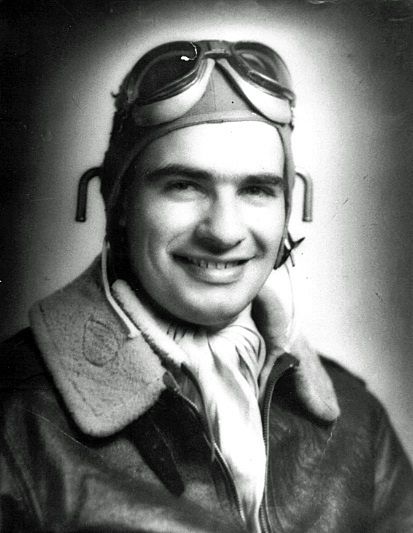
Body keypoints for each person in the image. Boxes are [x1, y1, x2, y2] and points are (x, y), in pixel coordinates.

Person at [0, 39, 412, 533]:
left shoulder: (358, 422)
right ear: (121, 203)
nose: (224, 231)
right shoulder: (16, 423)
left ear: (289, 209)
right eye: (184, 185)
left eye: (256, 189)